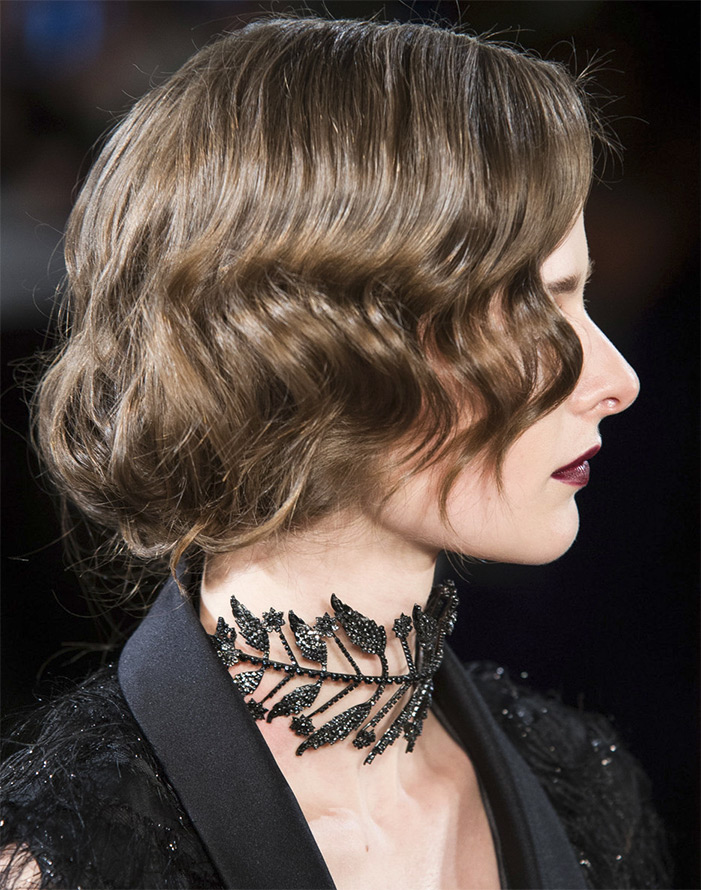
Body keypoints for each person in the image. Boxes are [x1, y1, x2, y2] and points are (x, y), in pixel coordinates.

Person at [0, 16, 669, 890]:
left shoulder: (580, 788)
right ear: (316, 345)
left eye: (583, 300)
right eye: (538, 309)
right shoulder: (74, 860)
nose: (615, 380)